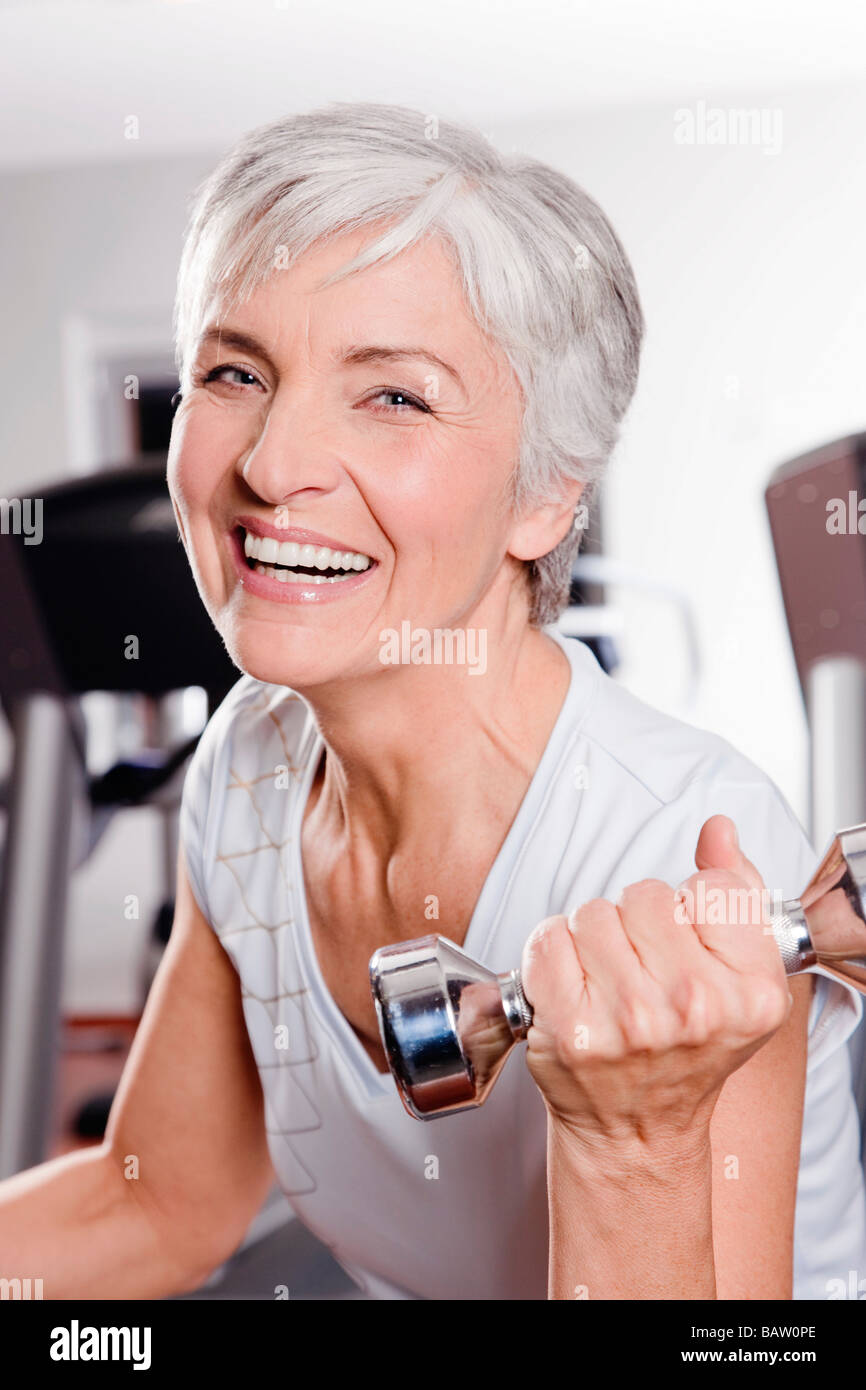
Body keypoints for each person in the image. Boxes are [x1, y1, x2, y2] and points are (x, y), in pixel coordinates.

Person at [1, 101, 863, 1301]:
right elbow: (156, 1204)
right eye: (235, 372)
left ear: (545, 496)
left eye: (393, 396)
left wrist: (634, 1142)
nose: (269, 463)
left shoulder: (691, 852)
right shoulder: (249, 760)